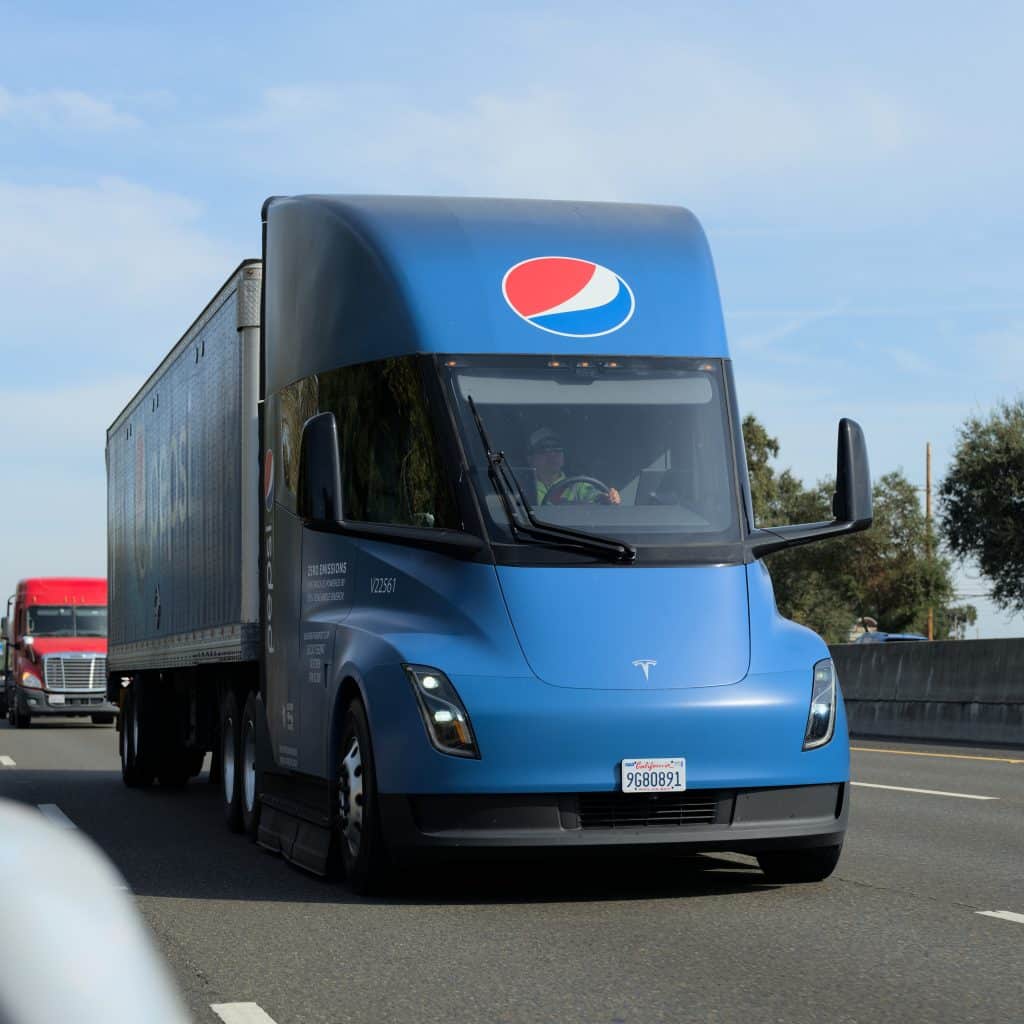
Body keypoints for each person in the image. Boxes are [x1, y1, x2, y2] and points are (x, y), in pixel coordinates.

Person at [524, 427, 621, 505]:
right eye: (544, 449)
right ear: (530, 459)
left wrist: (607, 498)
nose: (552, 454)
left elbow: (594, 496)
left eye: (557, 448)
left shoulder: (579, 485)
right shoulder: (522, 490)